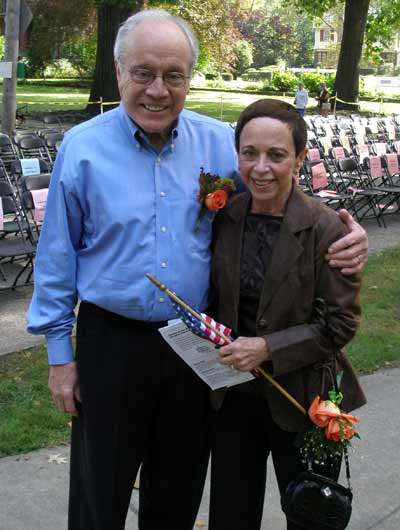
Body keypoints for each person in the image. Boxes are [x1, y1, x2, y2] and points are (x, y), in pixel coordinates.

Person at [26, 9, 368, 530]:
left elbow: (275, 187)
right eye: (143, 73)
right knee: (100, 495)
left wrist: (344, 231)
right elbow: (56, 260)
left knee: (178, 489)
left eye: (173, 75)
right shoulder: (83, 148)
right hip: (110, 344)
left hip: (195, 347)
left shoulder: (218, 143)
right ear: (119, 73)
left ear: (189, 77)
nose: (157, 90)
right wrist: (59, 356)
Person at [208, 99, 367, 530]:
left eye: (276, 155)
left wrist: (267, 348)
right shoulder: (224, 217)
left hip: (303, 398)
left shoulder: (327, 228)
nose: (261, 167)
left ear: (299, 158)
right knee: (230, 512)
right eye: (249, 153)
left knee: (308, 516)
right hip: (234, 399)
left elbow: (340, 323)